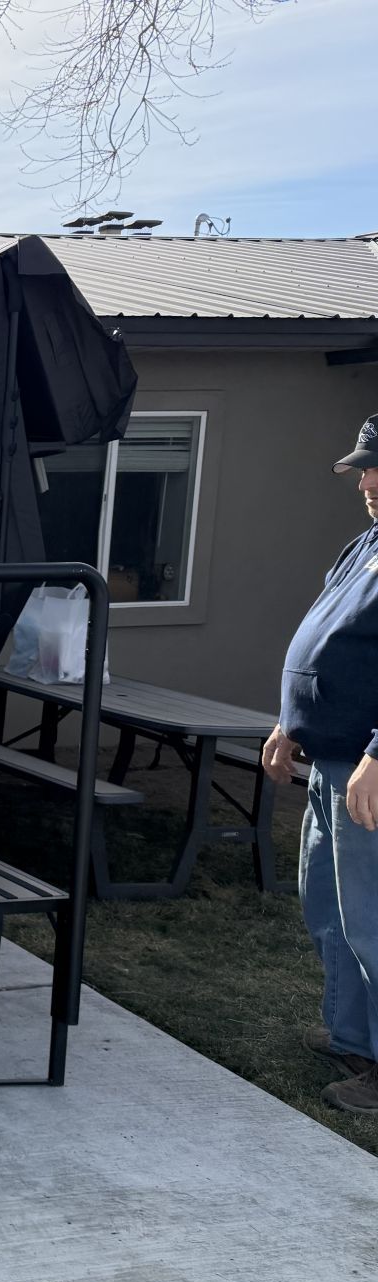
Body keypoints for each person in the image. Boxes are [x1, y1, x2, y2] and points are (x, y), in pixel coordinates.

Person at [264, 413, 378, 1112]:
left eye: (375, 467)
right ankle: (353, 1037)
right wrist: (287, 720)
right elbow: (322, 632)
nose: (365, 480)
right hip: (327, 761)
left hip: (365, 770)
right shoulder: (363, 545)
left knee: (371, 916)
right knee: (330, 910)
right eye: (364, 468)